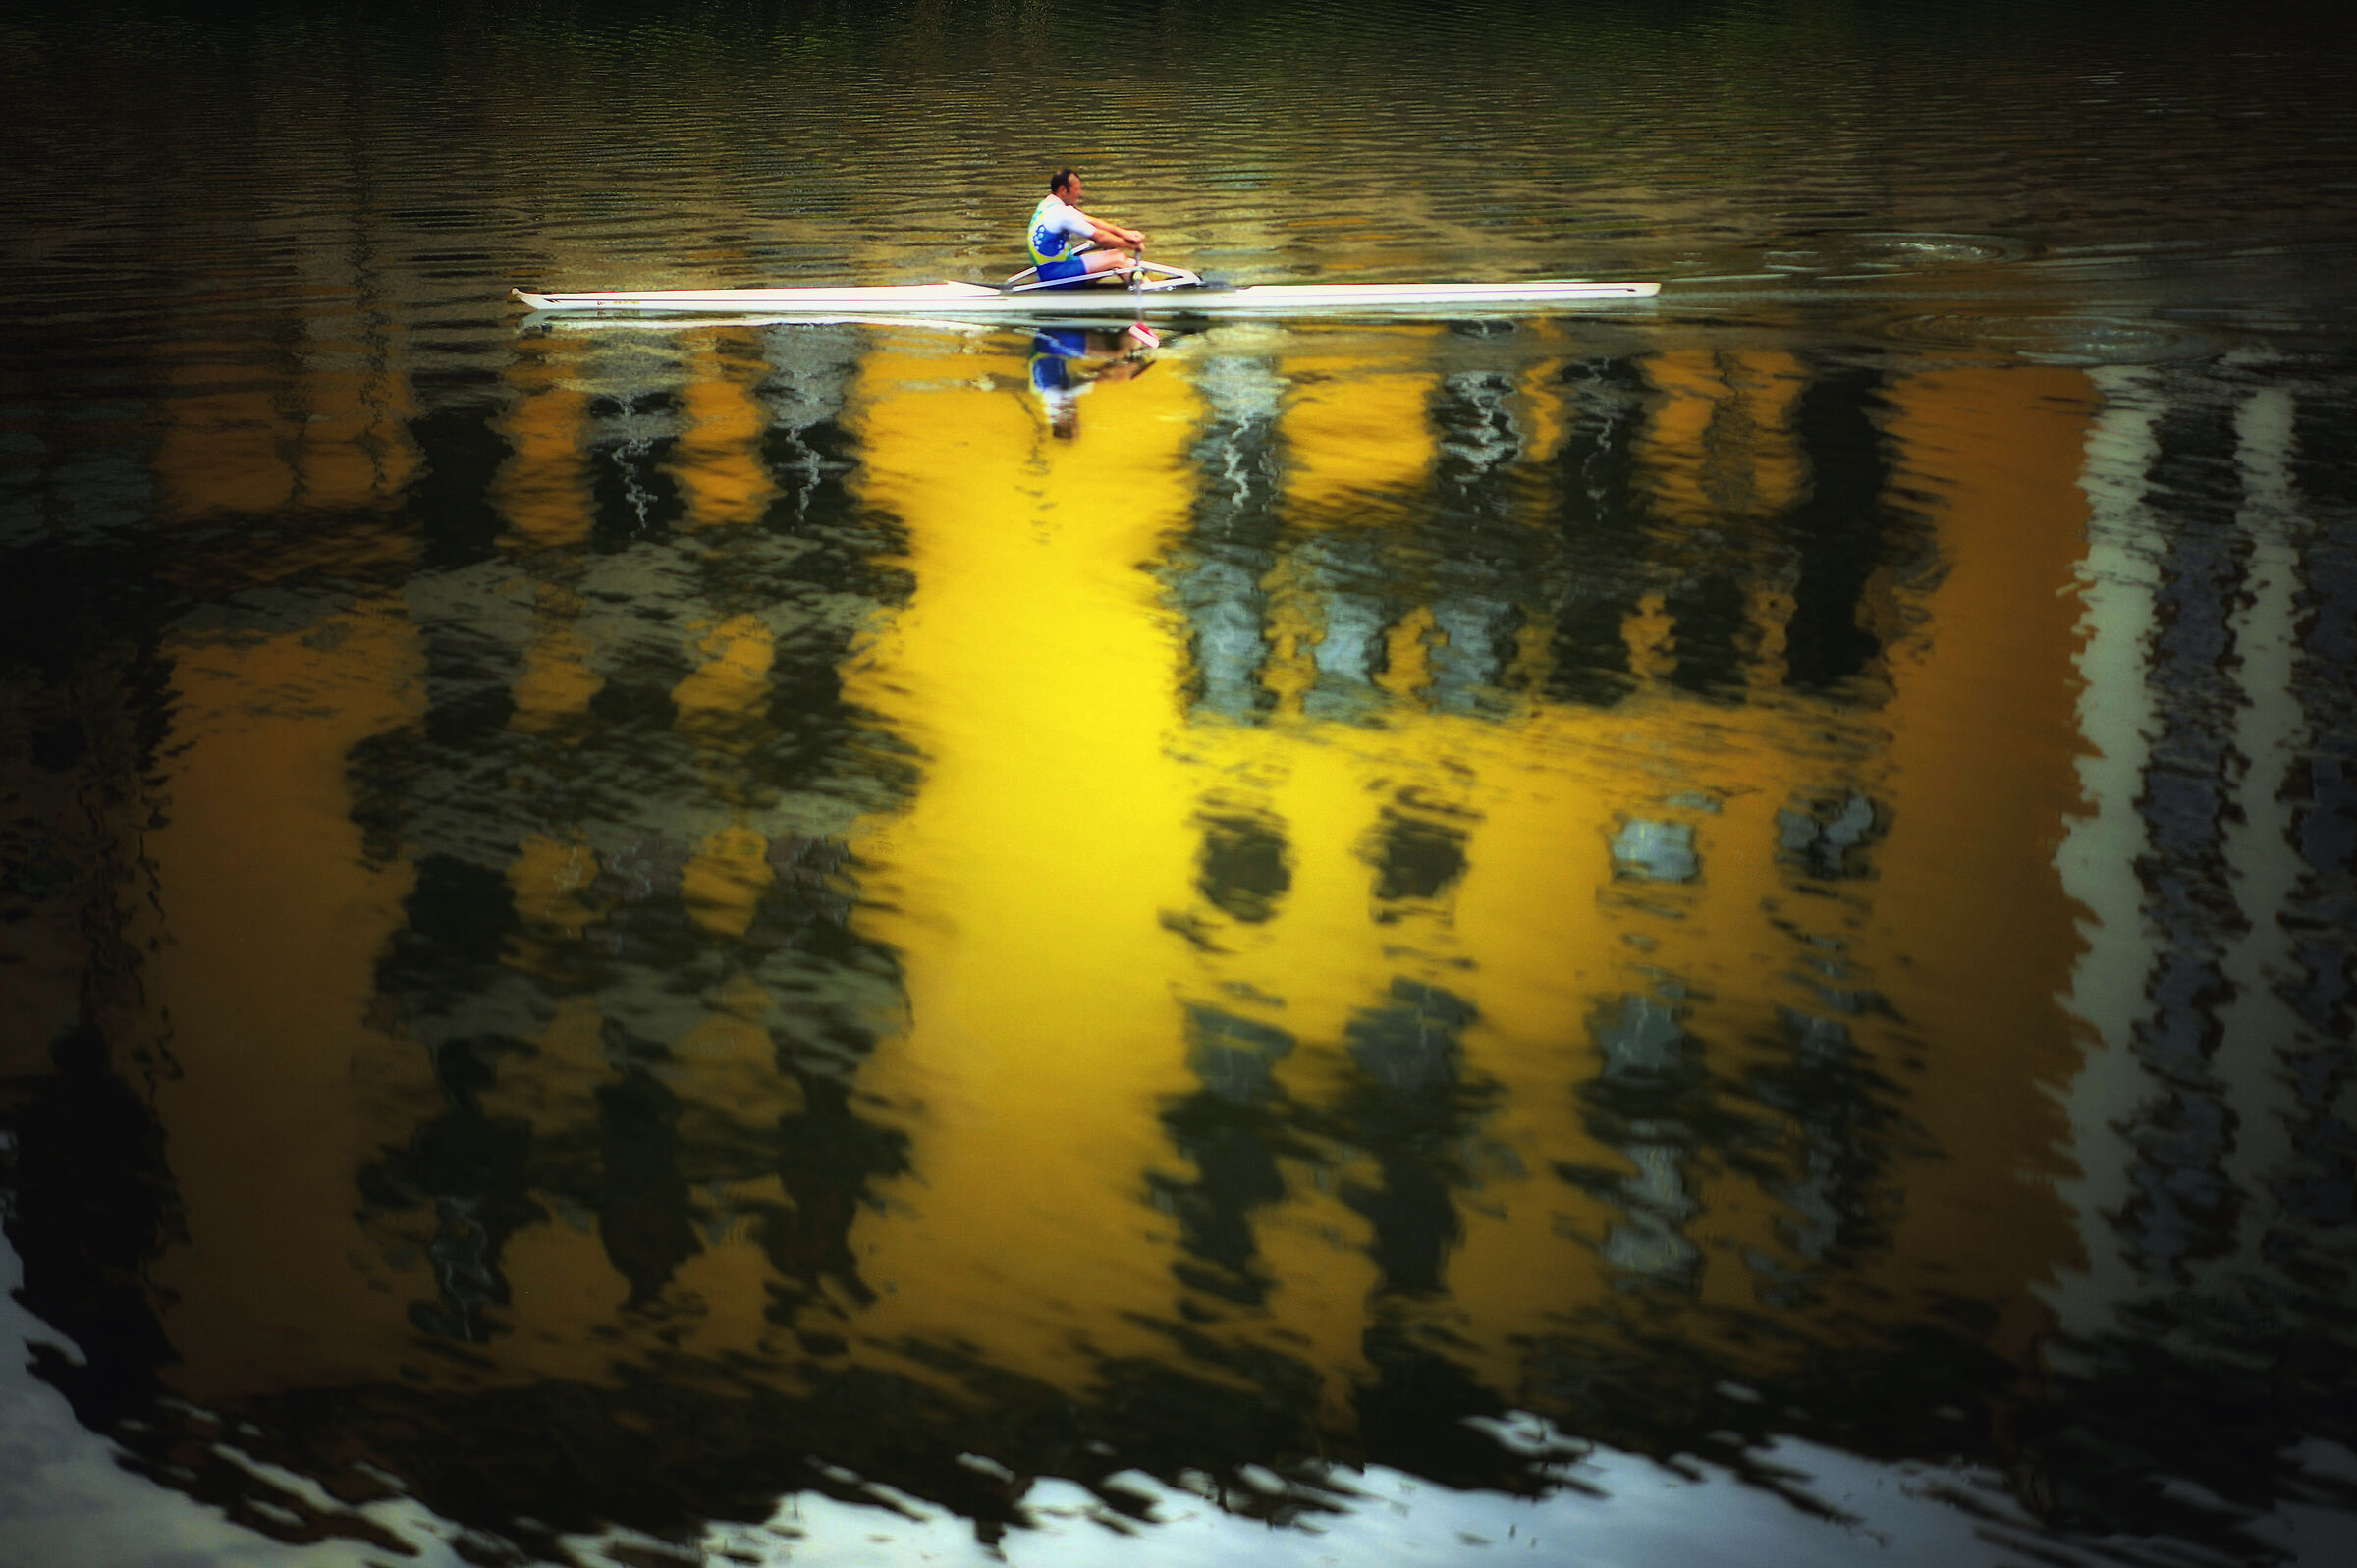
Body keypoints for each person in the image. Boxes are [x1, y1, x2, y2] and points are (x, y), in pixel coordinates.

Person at [1025, 168, 1147, 286]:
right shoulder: (1060, 213)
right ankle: (1150, 294)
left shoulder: (1048, 205)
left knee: (1119, 257)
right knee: (1117, 258)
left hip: (1057, 268)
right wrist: (1130, 245)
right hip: (1056, 274)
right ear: (1063, 190)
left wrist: (1123, 233)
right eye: (1077, 189)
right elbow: (1100, 237)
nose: (1080, 193)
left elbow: (1092, 221)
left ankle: (1146, 285)